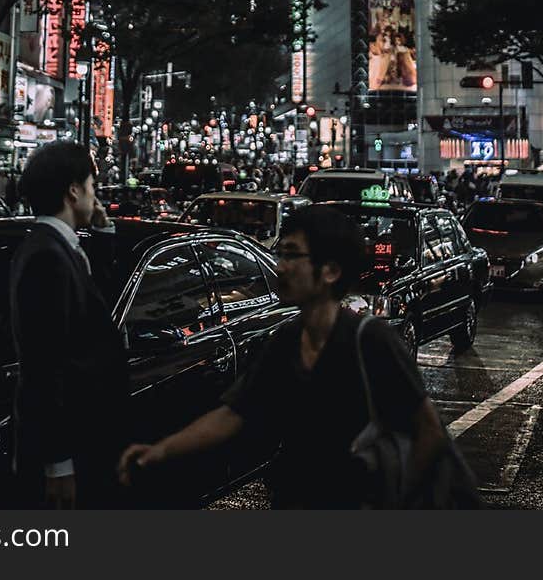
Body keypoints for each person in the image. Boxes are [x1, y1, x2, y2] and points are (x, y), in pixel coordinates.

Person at [118, 205, 448, 509]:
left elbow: (428, 431)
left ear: (330, 271)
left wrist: (395, 501)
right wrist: (162, 450)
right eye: (281, 253)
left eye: (292, 255)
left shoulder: (371, 341)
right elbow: (233, 414)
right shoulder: (286, 340)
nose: (280, 266)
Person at [10, 142, 130, 509]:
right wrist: (58, 463)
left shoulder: (57, 247)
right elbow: (45, 366)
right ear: (73, 190)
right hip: (69, 445)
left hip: (79, 437)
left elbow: (95, 310)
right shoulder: (48, 256)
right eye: (92, 185)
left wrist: (105, 237)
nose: (96, 195)